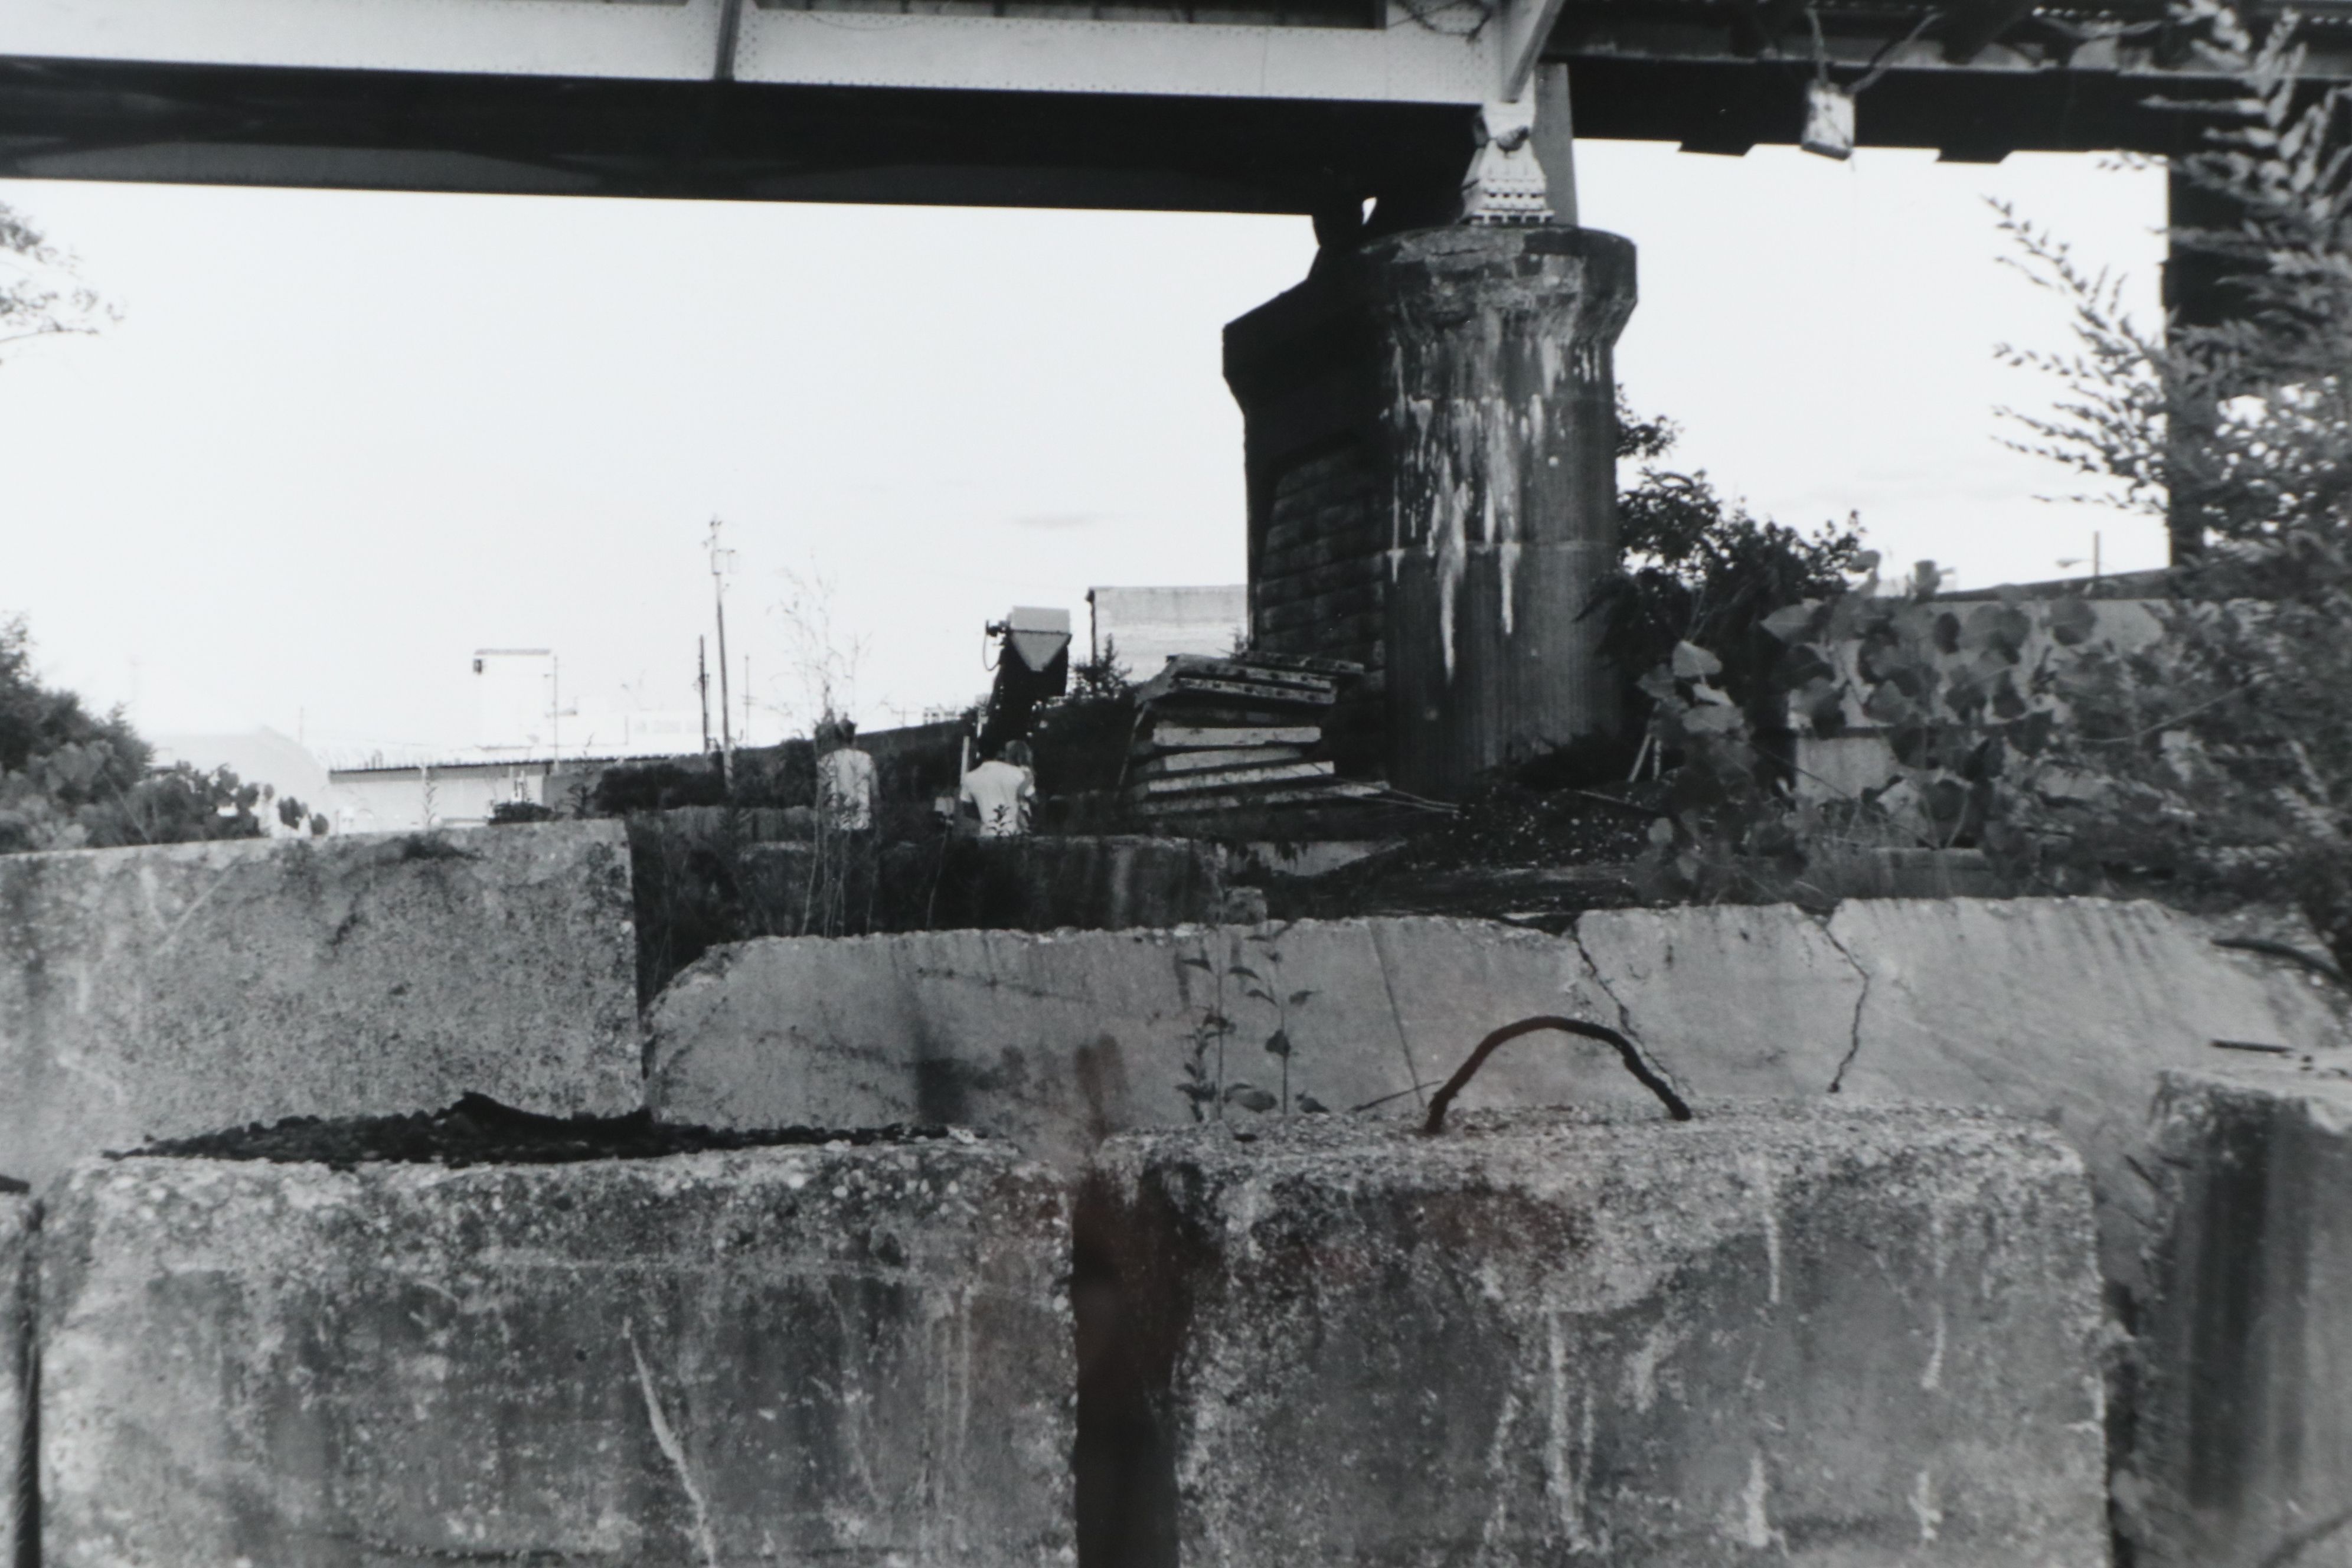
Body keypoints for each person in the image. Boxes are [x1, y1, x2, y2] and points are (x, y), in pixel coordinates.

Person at [959, 741, 1035, 837]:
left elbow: (967, 811)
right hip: (1015, 835)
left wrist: (988, 815)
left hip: (987, 835)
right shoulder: (1017, 773)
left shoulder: (969, 777)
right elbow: (1033, 799)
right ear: (1001, 753)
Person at [815, 716, 877, 834]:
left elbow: (821, 798)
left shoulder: (826, 762)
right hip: (863, 824)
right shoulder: (866, 759)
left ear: (837, 739)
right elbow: (875, 794)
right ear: (854, 736)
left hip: (836, 826)